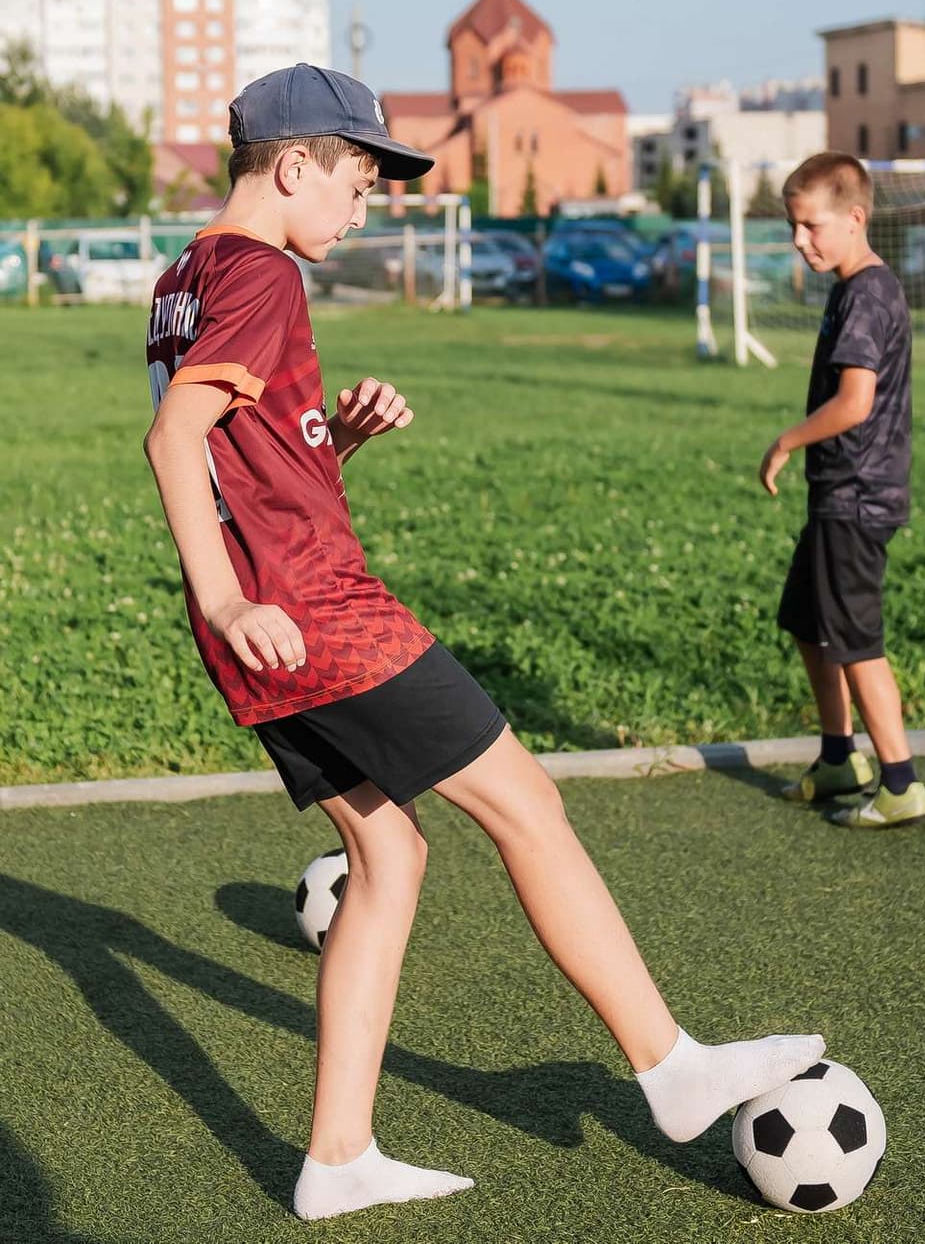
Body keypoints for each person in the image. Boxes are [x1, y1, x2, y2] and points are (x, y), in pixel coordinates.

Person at [142, 64, 825, 1222]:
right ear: (295, 166)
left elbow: (233, 462)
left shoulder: (185, 274)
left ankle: (339, 1154)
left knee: (391, 859)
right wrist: (225, 601)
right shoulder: (260, 273)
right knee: (527, 806)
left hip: (272, 624)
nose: (366, 207)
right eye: (359, 180)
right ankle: (671, 1066)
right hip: (313, 615)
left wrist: (328, 445)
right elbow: (174, 439)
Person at [758, 152, 925, 830]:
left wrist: (787, 440)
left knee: (855, 640)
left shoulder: (866, 294)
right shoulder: (850, 287)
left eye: (811, 226)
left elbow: (855, 403)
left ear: (856, 219)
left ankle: (900, 781)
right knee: (806, 620)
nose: (801, 240)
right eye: (794, 227)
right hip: (838, 494)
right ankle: (838, 757)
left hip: (855, 498)